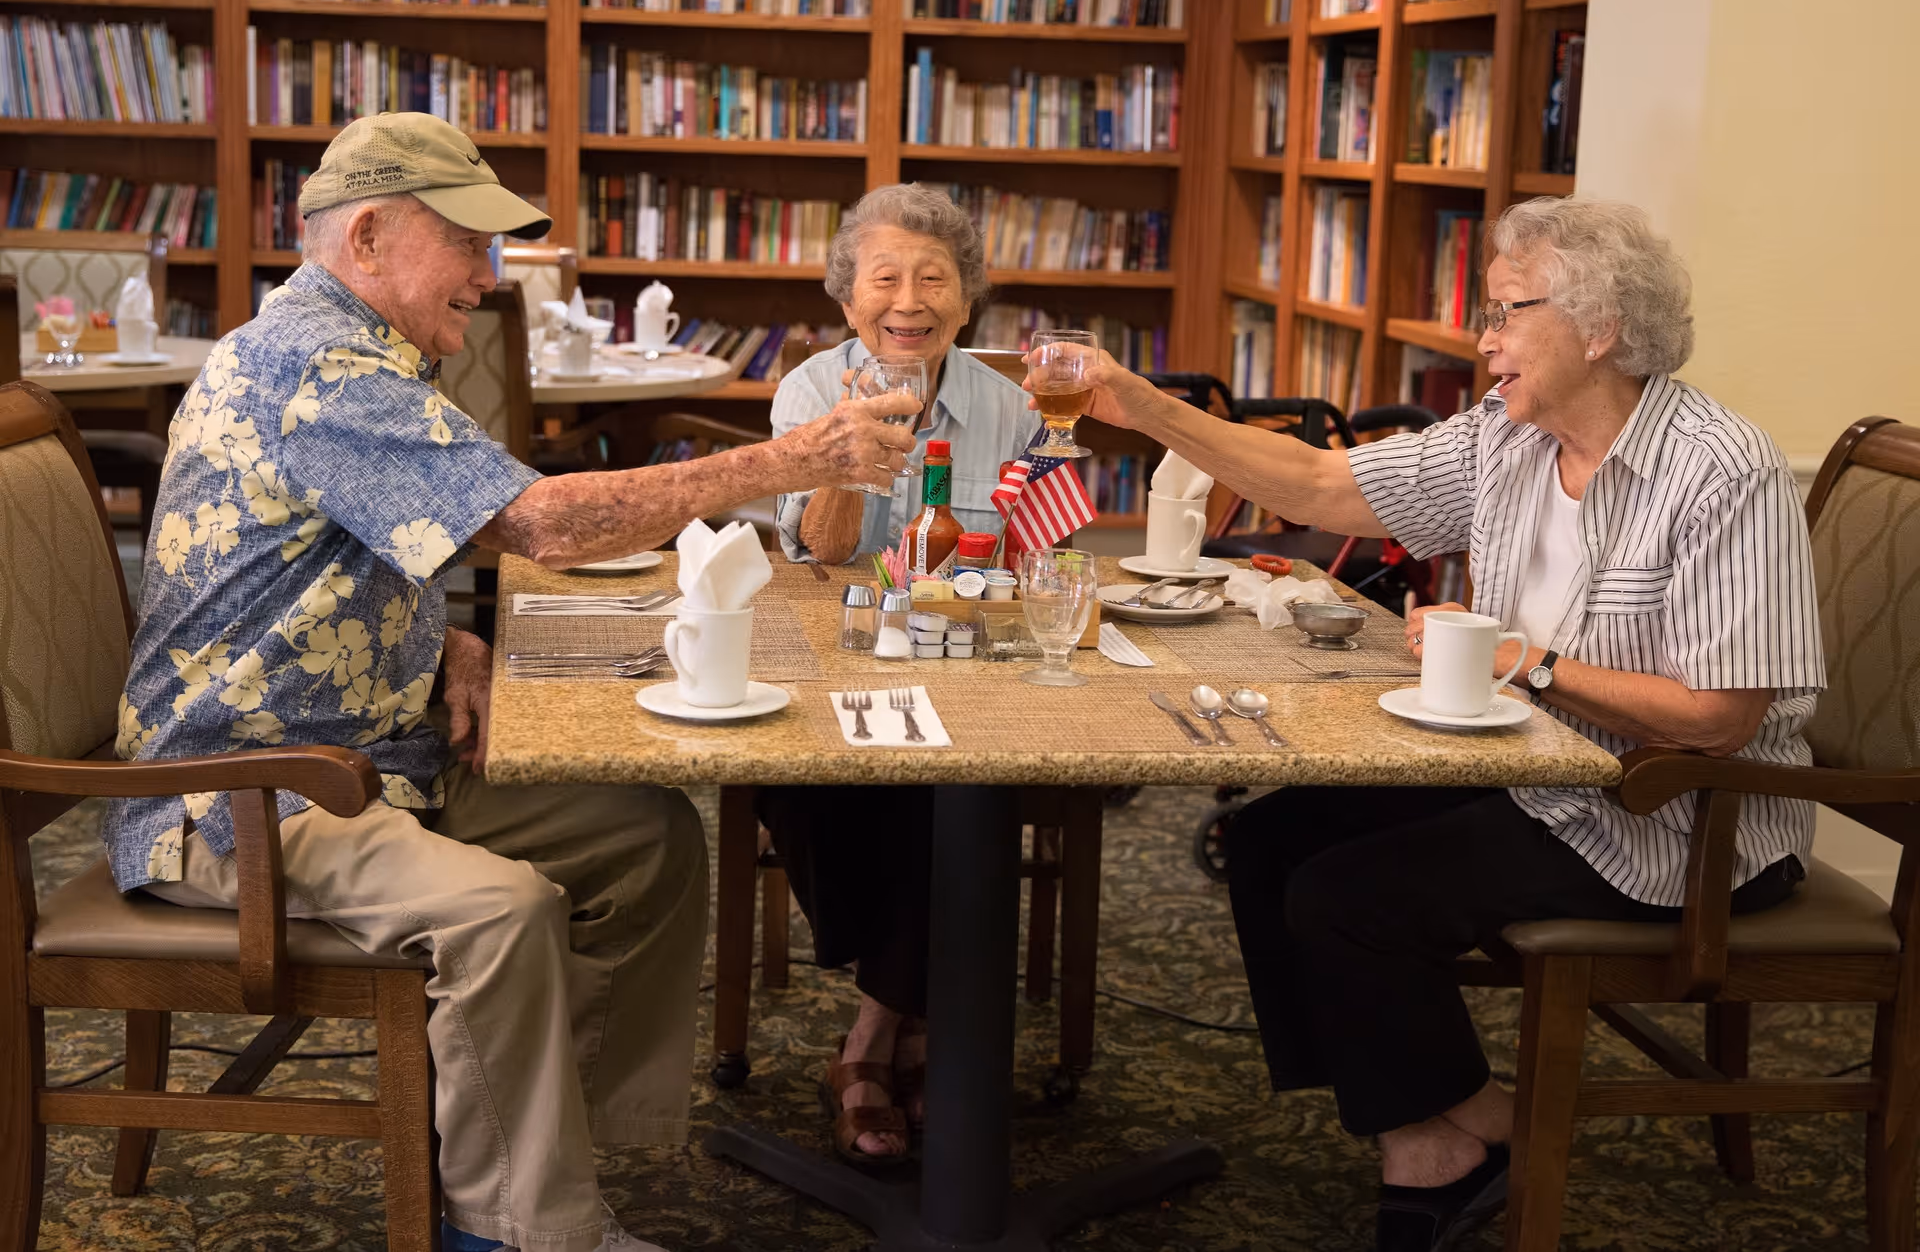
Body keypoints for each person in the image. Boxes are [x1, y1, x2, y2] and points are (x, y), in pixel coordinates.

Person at [108, 113, 921, 1252]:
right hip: (251, 791)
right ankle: (518, 1228)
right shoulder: (319, 364)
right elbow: (538, 522)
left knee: (645, 840)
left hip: (368, 753)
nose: (491, 278)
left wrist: (449, 642)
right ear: (375, 238)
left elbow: (316, 554)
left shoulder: (345, 349)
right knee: (503, 913)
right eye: (470, 246)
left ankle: (545, 1149)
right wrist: (789, 460)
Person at [1048, 196, 1823, 1252]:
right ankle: (1453, 1114)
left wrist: (1530, 661)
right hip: (1542, 761)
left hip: (1677, 816)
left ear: (1598, 329)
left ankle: (1438, 1143)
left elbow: (1721, 720)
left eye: (1506, 312)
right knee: (1270, 838)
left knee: (1347, 897)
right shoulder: (1510, 436)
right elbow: (1327, 481)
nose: (1484, 340)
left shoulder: (1722, 470)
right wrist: (1148, 408)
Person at [759, 183, 1042, 1162]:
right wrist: (846, 453)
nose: (908, 300)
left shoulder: (1011, 409)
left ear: (967, 304)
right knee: (806, 773)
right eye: (885, 278)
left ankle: (874, 1037)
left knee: (960, 779)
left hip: (971, 674)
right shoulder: (805, 393)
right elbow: (820, 557)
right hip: (832, 677)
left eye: (935, 279)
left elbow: (1037, 560)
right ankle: (911, 1024)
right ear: (848, 300)